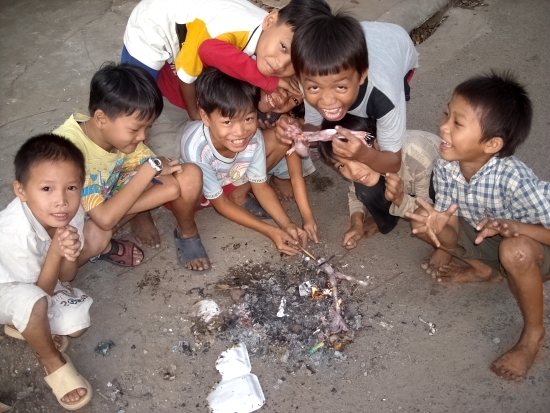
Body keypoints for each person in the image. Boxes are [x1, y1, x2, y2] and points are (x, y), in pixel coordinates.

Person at [405, 71, 550, 381]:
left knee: (515, 252)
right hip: (486, 234)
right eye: (447, 114)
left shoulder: (516, 180)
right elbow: (452, 223)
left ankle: (533, 335)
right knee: (423, 216)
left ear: (492, 144)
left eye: (457, 123)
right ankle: (488, 270)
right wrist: (438, 232)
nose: (443, 126)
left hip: (533, 247)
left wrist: (518, 228)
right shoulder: (446, 165)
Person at [54, 63, 210, 272]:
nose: (143, 137)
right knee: (98, 235)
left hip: (107, 203)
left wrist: (153, 168)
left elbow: (171, 185)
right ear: (101, 118)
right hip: (71, 224)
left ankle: (135, 220)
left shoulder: (120, 137)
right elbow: (104, 218)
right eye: (135, 129)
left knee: (184, 178)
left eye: (148, 128)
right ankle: (99, 248)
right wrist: (148, 170)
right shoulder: (69, 152)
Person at [275, 9, 418, 235]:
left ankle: (393, 205)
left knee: (383, 142)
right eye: (314, 88)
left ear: (361, 75)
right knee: (347, 118)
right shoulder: (315, 77)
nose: (327, 99)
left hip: (397, 47)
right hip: (363, 39)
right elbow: (315, 127)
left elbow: (393, 162)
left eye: (340, 87)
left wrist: (364, 154)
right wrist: (298, 132)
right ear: (303, 80)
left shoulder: (385, 96)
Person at [0, 134, 109, 410]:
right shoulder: (13, 232)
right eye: (47, 189)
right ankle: (52, 360)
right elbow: (39, 293)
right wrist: (55, 252)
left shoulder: (70, 212)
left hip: (38, 281)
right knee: (33, 303)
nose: (61, 201)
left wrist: (66, 252)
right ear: (21, 190)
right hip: (8, 287)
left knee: (77, 325)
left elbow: (67, 276)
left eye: (71, 187)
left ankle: (22, 326)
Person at [122, 0, 331, 121]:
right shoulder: (229, 32)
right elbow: (190, 71)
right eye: (283, 48)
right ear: (270, 20)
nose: (280, 64)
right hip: (153, 24)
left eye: (294, 64)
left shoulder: (273, 33)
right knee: (134, 100)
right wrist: (195, 115)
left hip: (193, 24)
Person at [180, 68, 310, 254]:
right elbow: (222, 204)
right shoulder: (197, 149)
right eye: (227, 122)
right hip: (196, 192)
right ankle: (186, 232)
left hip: (226, 179)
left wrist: (287, 224)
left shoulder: (253, 136)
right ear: (205, 117)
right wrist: (271, 231)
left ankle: (238, 196)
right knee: (188, 181)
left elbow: (261, 186)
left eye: (249, 118)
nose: (241, 132)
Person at [317, 114, 439, 249]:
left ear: (378, 142)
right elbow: (355, 194)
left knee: (429, 216)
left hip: (436, 182)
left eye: (355, 158)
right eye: (341, 165)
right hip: (399, 179)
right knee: (363, 188)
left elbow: (427, 214)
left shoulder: (419, 159)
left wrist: (400, 200)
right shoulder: (363, 167)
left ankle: (445, 247)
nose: (353, 171)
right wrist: (357, 224)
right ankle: (390, 215)